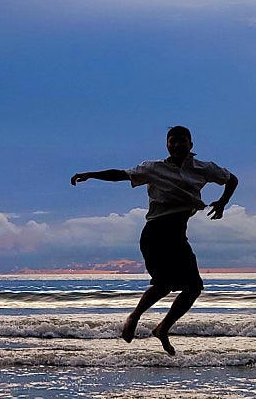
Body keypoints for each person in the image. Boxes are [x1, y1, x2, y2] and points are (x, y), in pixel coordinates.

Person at [72, 125, 237, 353]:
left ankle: (163, 328)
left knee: (194, 287)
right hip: (155, 233)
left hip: (178, 234)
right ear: (167, 145)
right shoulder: (153, 168)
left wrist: (222, 202)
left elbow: (232, 179)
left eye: (182, 141)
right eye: (173, 141)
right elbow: (121, 174)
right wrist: (91, 175)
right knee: (165, 284)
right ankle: (134, 317)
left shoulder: (203, 168)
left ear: (191, 145)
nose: (177, 145)